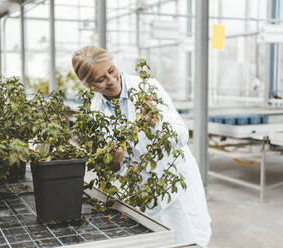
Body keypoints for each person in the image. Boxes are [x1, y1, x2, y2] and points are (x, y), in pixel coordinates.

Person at [72, 45, 211, 247]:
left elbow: (182, 136)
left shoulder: (146, 88)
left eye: (111, 70)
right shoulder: (95, 111)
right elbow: (115, 170)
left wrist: (157, 122)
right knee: (158, 241)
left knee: (191, 239)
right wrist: (115, 163)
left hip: (176, 179)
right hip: (144, 190)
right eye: (100, 79)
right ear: (90, 85)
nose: (111, 80)